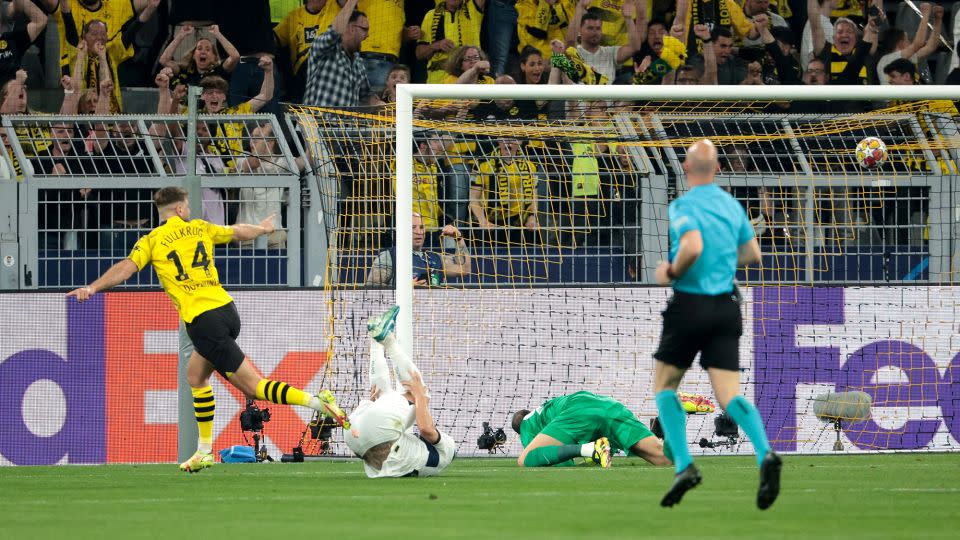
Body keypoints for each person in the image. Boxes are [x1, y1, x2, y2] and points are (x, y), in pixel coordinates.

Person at [66, 187, 349, 473]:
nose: (189, 210)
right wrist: (263, 229)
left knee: (255, 387)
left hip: (203, 322)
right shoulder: (200, 228)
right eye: (188, 206)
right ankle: (203, 451)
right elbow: (237, 231)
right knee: (196, 375)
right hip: (226, 310)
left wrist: (92, 288)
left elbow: (126, 269)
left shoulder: (151, 241)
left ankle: (318, 402)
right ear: (179, 210)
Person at [652, 139, 781, 509]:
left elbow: (691, 246)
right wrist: (722, 257)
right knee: (729, 395)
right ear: (719, 169)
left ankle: (685, 465)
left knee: (665, 386)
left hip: (691, 305)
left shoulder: (683, 205)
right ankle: (765, 455)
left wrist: (672, 270)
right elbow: (753, 254)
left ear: (687, 169)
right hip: (727, 305)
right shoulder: (732, 206)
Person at [344, 305, 456, 478]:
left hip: (376, 437)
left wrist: (419, 396)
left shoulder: (446, 450)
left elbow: (426, 429)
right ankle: (375, 340)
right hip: (354, 436)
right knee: (383, 396)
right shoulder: (416, 453)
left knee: (422, 393)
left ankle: (387, 341)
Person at [511, 391, 671, 468]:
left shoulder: (526, 424)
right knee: (666, 459)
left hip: (578, 410)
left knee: (524, 460)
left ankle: (592, 449)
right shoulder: (548, 411)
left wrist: (588, 452)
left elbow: (558, 464)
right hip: (609, 405)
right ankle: (674, 414)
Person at [303, 0, 380, 108]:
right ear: (351, 28)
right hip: (318, 122)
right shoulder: (324, 48)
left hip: (346, 124)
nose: (367, 35)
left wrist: (378, 103)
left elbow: (365, 95)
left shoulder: (357, 61)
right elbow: (334, 32)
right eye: (364, 29)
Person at [366, 212, 471, 287]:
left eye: (421, 227)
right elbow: (372, 290)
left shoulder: (434, 258)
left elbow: (465, 269)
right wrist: (405, 289)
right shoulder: (389, 256)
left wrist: (458, 238)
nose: (419, 232)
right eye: (413, 227)